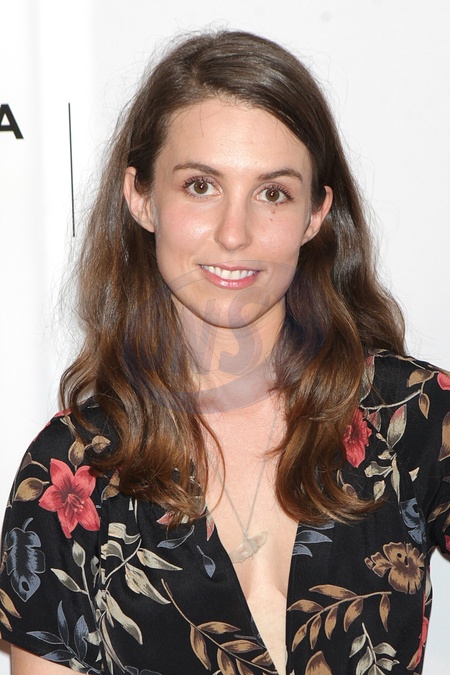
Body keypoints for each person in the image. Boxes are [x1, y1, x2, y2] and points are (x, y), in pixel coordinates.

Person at [1, 30, 449, 675]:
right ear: (141, 197)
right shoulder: (70, 475)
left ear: (315, 214)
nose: (235, 234)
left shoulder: (414, 417)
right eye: (200, 186)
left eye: (273, 193)